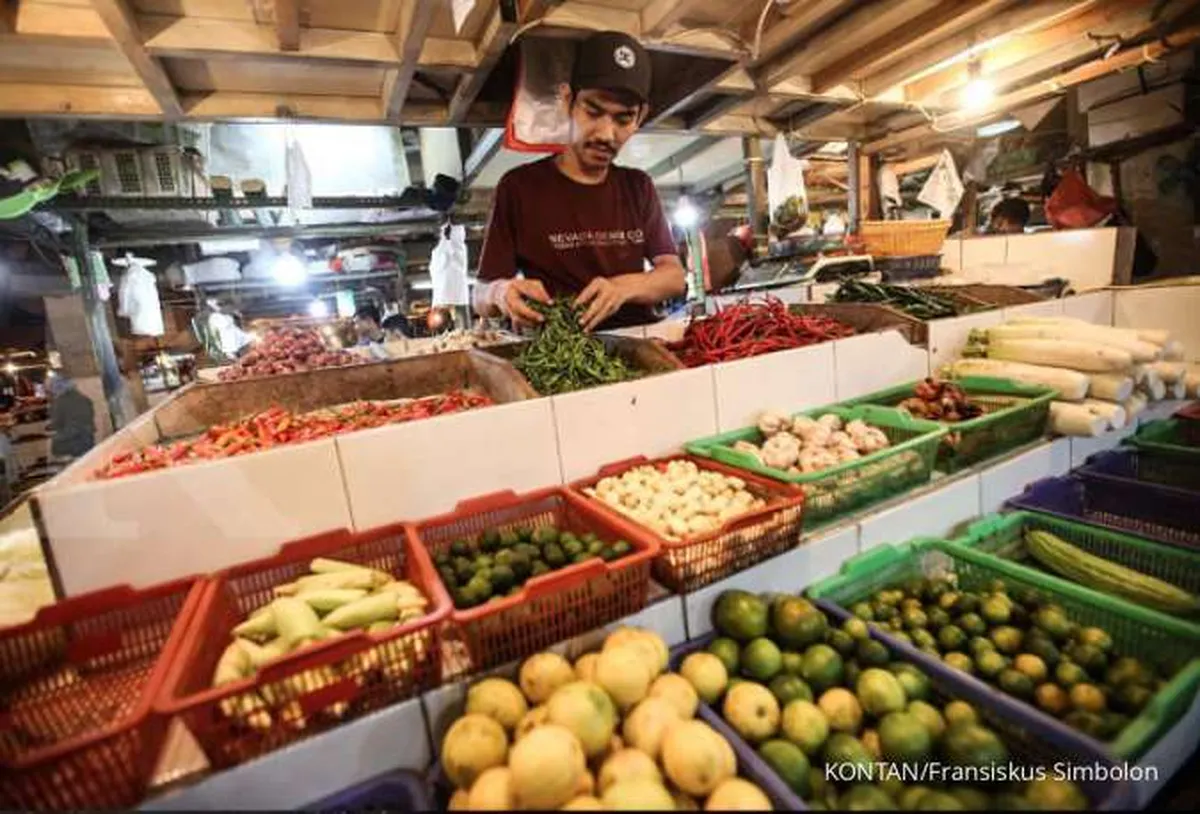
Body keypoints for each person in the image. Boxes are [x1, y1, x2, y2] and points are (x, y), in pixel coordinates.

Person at [473, 31, 687, 332]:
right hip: (563, 347)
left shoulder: (638, 186)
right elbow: (479, 295)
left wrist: (622, 288)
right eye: (593, 111)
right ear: (567, 101)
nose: (606, 134)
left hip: (638, 342)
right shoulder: (519, 188)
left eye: (624, 119)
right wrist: (499, 292)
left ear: (641, 117)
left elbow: (674, 277)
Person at [47, 375, 94, 460]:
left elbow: (57, 424)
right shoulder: (85, 398)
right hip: (87, 442)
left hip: (69, 445)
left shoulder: (60, 402)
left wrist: (50, 428)